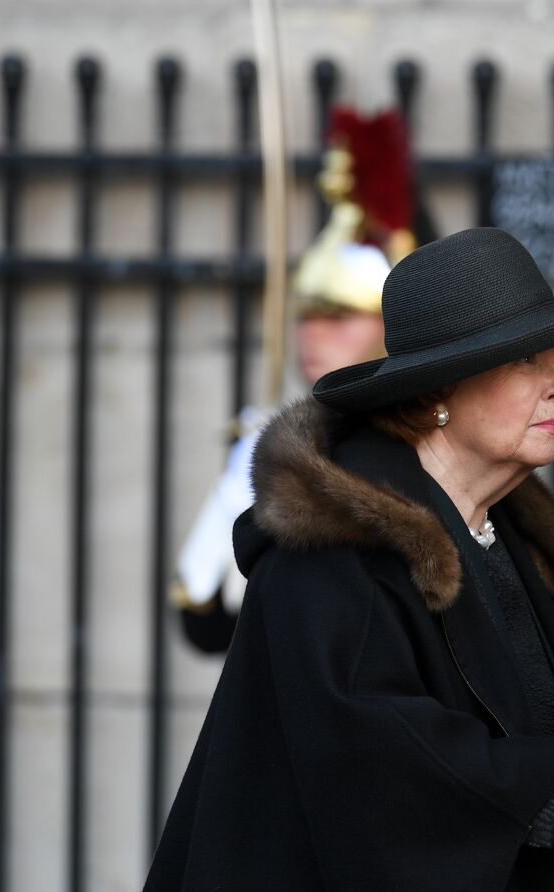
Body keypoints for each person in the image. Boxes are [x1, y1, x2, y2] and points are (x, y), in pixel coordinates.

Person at [146, 228, 554, 891]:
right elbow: (372, 777)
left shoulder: (520, 541)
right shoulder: (330, 551)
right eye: (527, 362)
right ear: (440, 391)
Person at [171, 106, 421, 653]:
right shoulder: (277, 433)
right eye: (306, 316)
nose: (312, 335)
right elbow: (205, 622)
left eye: (336, 317)